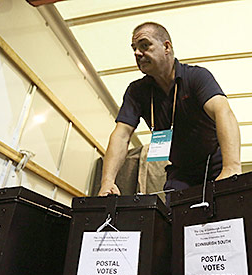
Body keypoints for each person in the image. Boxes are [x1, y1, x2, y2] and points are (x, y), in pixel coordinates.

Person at [98, 22, 241, 201]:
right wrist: (107, 181)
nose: (137, 53)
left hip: (214, 161)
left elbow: (223, 112)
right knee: (174, 213)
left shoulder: (197, 77)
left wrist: (231, 167)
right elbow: (121, 135)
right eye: (134, 48)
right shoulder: (136, 91)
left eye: (144, 45)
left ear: (166, 47)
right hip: (181, 171)